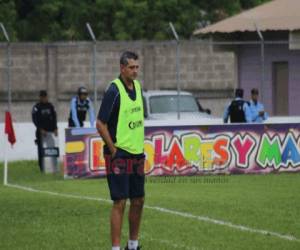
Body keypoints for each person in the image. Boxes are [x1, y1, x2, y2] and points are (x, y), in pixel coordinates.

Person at [96, 51, 145, 250]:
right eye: (131, 67)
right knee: (120, 201)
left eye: (137, 67)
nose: (135, 71)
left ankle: (132, 245)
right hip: (119, 154)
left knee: (139, 199)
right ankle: (115, 248)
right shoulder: (114, 91)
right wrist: (113, 149)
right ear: (122, 68)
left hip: (137, 153)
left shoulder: (139, 87)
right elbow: (100, 123)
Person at [32, 90, 58, 172]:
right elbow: (35, 120)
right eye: (42, 97)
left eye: (45, 97)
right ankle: (42, 168)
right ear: (40, 97)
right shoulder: (36, 107)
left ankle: (54, 167)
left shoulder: (50, 106)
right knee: (41, 151)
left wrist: (55, 128)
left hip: (50, 132)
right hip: (41, 133)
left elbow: (54, 117)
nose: (44, 98)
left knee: (52, 150)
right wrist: (40, 129)